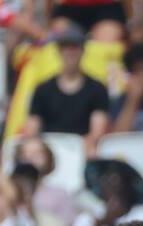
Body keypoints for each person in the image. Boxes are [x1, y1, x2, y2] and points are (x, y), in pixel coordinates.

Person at [24, 23, 110, 157]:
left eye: (75, 46)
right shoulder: (43, 89)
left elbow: (97, 132)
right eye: (66, 46)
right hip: (48, 152)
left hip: (82, 149)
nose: (70, 51)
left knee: (93, 151)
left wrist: (75, 149)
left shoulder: (97, 89)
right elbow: (31, 128)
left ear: (83, 50)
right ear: (59, 50)